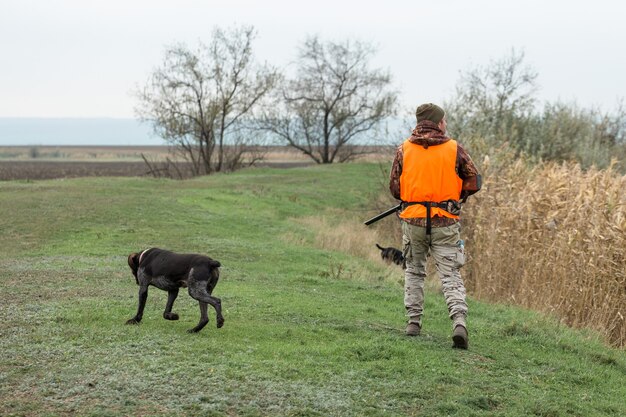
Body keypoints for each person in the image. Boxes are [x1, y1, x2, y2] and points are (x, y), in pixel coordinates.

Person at [389, 103, 481, 349]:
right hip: (445, 221)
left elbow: (395, 188)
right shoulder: (455, 149)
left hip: (413, 221)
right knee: (450, 274)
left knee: (414, 271)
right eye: (445, 120)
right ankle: (459, 322)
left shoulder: (403, 150)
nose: (446, 124)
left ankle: (413, 322)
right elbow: (474, 180)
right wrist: (456, 197)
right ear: (439, 122)